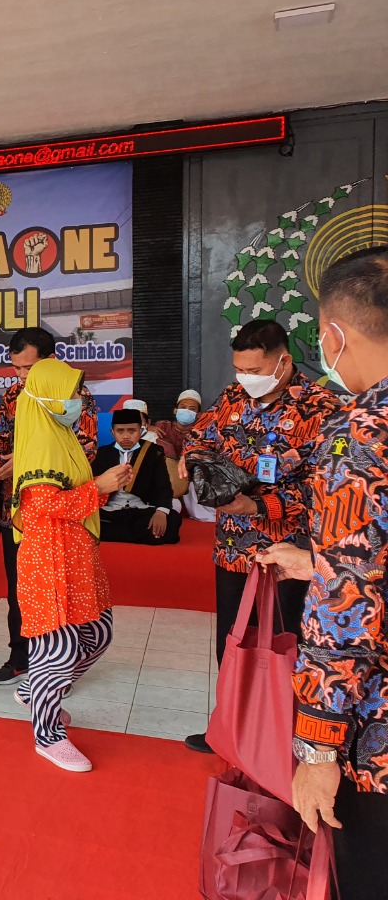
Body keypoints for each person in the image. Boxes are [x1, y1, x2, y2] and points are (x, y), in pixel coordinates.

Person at [255, 246, 388, 900]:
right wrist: (321, 559)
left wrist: (318, 751)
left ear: (333, 337)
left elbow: (347, 606)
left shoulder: (366, 433)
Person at [180, 318, 342, 754]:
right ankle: (230, 730)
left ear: (283, 361)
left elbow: (326, 488)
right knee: (234, 642)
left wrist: (259, 507)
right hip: (233, 548)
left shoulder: (320, 409)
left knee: (284, 648)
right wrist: (193, 458)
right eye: (239, 369)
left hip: (289, 555)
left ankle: (279, 740)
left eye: (254, 370)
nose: (246, 378)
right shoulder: (233, 397)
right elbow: (200, 436)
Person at [11, 359, 131, 771]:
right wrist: (99, 486)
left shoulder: (61, 436)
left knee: (97, 633)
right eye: (71, 393)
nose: (79, 399)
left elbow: (75, 496)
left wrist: (104, 486)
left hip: (75, 554)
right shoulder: (41, 442)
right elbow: (44, 506)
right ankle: (47, 734)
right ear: (47, 398)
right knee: (58, 651)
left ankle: (35, 689)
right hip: (48, 559)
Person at [0, 327, 98, 686]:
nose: (21, 376)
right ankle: (21, 658)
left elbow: (85, 448)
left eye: (28, 368)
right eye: (16, 368)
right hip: (20, 510)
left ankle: (62, 665)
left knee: (63, 591)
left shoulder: (73, 395)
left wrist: (26, 461)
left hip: (63, 512)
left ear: (50, 360)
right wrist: (6, 460)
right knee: (21, 590)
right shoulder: (12, 395)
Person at [92, 409, 180, 545]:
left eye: (132, 431)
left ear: (140, 431)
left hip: (140, 510)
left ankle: (111, 534)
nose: (126, 436)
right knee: (87, 521)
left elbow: (163, 487)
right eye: (120, 431)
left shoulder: (153, 452)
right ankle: (139, 535)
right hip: (109, 511)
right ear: (112, 432)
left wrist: (161, 512)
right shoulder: (102, 453)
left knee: (172, 519)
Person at [151, 390, 203, 505]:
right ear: (175, 410)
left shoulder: (201, 433)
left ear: (198, 415)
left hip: (191, 482)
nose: (186, 411)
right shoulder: (162, 427)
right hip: (165, 480)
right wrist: (146, 428)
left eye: (192, 409)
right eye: (183, 407)